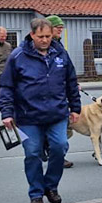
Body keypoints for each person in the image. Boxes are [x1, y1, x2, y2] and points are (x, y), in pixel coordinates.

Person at [0, 17, 81, 203]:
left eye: (48, 36)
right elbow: (6, 86)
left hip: (57, 113)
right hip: (28, 116)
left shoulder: (61, 53)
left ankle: (51, 187)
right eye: (40, 36)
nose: (45, 40)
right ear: (32, 35)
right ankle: (36, 193)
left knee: (60, 147)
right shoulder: (18, 56)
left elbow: (71, 81)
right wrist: (6, 112)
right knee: (33, 153)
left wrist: (75, 107)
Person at [41, 15, 74, 168]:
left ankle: (52, 152)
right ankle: (53, 154)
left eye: (62, 27)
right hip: (46, 97)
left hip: (60, 95)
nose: (61, 29)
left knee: (63, 129)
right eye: (57, 27)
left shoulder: (59, 47)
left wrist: (72, 85)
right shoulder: (43, 48)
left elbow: (67, 71)